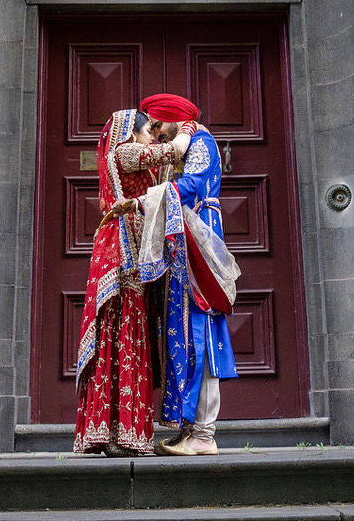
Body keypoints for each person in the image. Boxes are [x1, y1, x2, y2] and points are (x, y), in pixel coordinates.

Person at [73, 107, 195, 456]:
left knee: (129, 335)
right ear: (131, 133)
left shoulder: (140, 161)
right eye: (149, 132)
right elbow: (171, 152)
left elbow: (165, 180)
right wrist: (187, 128)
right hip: (121, 255)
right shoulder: (124, 152)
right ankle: (110, 432)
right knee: (121, 332)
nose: (154, 137)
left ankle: (116, 433)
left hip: (134, 258)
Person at [140, 93, 239, 456]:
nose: (155, 133)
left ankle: (203, 433)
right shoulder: (177, 149)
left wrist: (145, 200)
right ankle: (190, 429)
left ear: (172, 119)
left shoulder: (200, 141)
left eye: (157, 124)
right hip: (181, 245)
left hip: (198, 242)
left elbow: (195, 183)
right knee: (183, 331)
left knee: (200, 331)